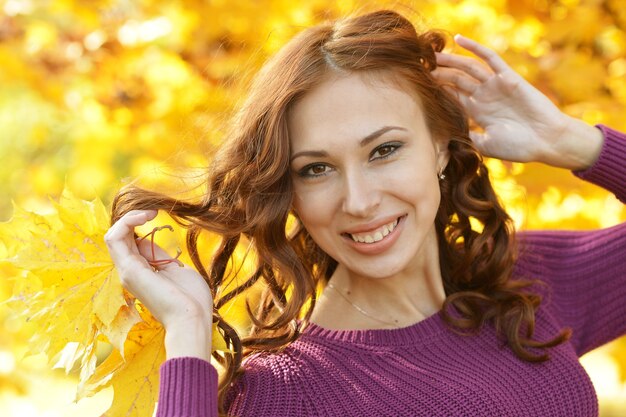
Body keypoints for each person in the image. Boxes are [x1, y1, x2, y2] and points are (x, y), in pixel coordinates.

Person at [104, 10, 625, 417]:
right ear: (287, 192)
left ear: (442, 146)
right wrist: (187, 333)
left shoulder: (520, 281)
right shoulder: (286, 394)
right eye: (315, 170)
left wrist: (575, 143)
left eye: (384, 151)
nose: (358, 200)